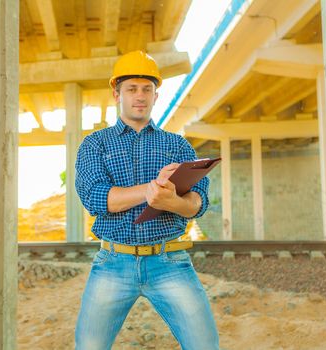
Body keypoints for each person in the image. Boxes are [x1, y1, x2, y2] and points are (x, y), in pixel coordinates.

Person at [74, 50, 219, 350]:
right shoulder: (95, 144)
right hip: (113, 262)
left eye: (147, 89)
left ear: (156, 96)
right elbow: (97, 198)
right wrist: (152, 189)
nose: (140, 96)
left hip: (169, 261)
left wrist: (173, 203)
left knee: (205, 346)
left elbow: (198, 202)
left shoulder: (176, 145)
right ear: (117, 94)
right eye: (132, 89)